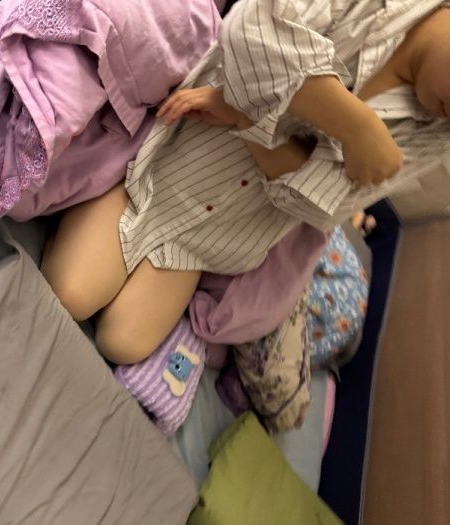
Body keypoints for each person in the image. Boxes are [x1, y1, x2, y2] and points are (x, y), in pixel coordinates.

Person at [42, 0, 450, 370]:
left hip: (217, 239)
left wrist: (247, 116)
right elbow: (250, 33)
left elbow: (318, 205)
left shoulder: (435, 135)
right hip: (163, 172)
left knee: (121, 344)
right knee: (69, 294)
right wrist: (357, 129)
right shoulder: (369, 10)